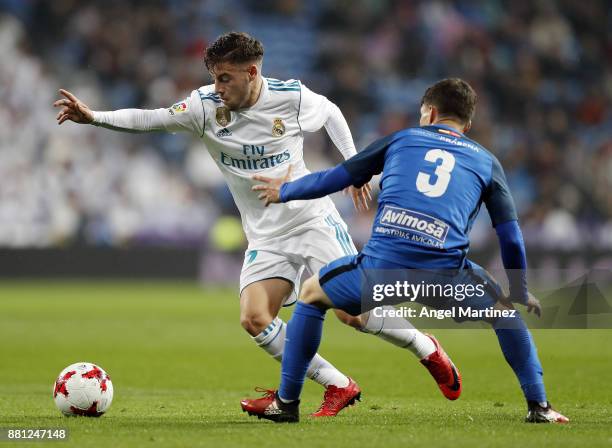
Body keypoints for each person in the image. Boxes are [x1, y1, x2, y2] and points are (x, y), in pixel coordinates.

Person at [54, 32, 461, 417]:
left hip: (310, 219)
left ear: (252, 73)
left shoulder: (292, 98)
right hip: (265, 234)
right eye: (213, 78)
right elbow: (152, 118)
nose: (218, 87)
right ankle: (337, 384)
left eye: (225, 78)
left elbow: (332, 113)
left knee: (351, 313)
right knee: (254, 317)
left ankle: (426, 348)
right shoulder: (204, 108)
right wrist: (94, 117)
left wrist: (355, 167)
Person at [246, 78, 569, 424]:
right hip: (445, 277)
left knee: (312, 295)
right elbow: (511, 236)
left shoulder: (402, 139)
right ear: (467, 124)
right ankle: (540, 407)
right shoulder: (487, 162)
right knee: (506, 314)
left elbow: (338, 177)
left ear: (430, 113)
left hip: (381, 271)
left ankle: (287, 402)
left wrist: (286, 191)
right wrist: (518, 289)